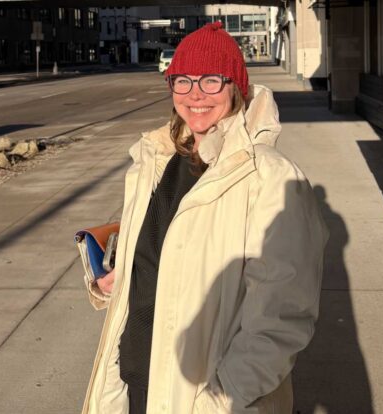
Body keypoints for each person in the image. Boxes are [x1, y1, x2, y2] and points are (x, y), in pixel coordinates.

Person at [81, 22, 328, 414]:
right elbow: (163, 257)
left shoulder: (270, 177)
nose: (195, 94)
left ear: (236, 88)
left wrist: (219, 401)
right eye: (183, 81)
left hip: (205, 398)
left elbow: (281, 320)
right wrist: (124, 274)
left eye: (211, 80)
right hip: (137, 384)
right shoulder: (156, 161)